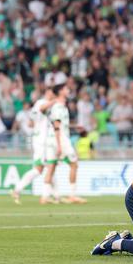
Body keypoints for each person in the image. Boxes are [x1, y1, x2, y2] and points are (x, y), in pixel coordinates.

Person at [10, 79, 56, 205]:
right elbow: (41, 110)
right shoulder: (43, 102)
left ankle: (51, 195)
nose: (55, 95)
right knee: (43, 168)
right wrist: (56, 101)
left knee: (48, 167)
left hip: (41, 140)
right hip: (41, 141)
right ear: (48, 92)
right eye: (54, 92)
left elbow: (30, 122)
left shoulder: (40, 103)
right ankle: (19, 189)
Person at [42, 73, 86, 204]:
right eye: (66, 89)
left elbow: (60, 124)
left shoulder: (59, 106)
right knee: (74, 164)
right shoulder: (58, 106)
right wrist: (60, 145)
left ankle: (44, 196)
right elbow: (56, 125)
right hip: (60, 139)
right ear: (61, 92)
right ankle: (72, 195)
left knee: (51, 166)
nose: (68, 90)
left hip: (55, 138)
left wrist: (74, 126)